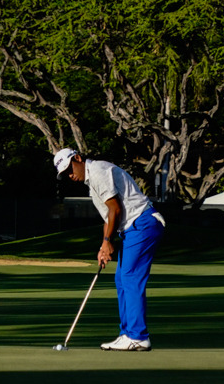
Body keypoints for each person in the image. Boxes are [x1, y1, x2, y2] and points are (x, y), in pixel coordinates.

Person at [54, 148, 165, 352]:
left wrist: (108, 241)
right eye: (65, 174)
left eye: (70, 169)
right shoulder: (92, 182)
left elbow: (116, 209)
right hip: (133, 227)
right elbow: (108, 216)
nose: (70, 175)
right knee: (122, 278)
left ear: (78, 158)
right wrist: (103, 246)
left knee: (130, 276)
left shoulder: (97, 171)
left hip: (142, 222)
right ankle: (128, 334)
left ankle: (137, 335)